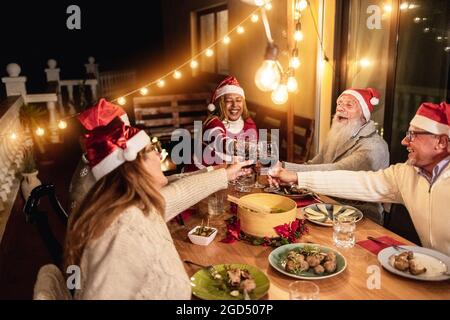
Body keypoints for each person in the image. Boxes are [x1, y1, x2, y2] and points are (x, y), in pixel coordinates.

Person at [64, 114, 252, 299]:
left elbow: (181, 192)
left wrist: (226, 174)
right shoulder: (122, 232)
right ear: (135, 166)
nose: (158, 153)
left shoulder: (135, 205)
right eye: (151, 149)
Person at [268, 102, 450, 256]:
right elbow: (355, 181)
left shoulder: (375, 148)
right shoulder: (405, 174)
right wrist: (297, 177)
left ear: (441, 142)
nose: (404, 141)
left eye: (413, 135)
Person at [278, 88, 389, 224]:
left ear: (363, 115)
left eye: (349, 105)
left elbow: (337, 170)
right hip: (327, 204)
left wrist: (285, 168)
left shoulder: (374, 146)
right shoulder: (338, 135)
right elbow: (313, 164)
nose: (341, 109)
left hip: (362, 216)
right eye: (339, 104)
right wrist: (284, 170)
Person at [184, 75, 258, 171]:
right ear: (220, 104)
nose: (235, 105)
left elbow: (251, 155)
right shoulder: (213, 122)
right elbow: (220, 142)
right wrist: (240, 146)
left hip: (232, 174)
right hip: (205, 175)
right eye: (229, 101)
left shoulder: (248, 123)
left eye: (238, 100)